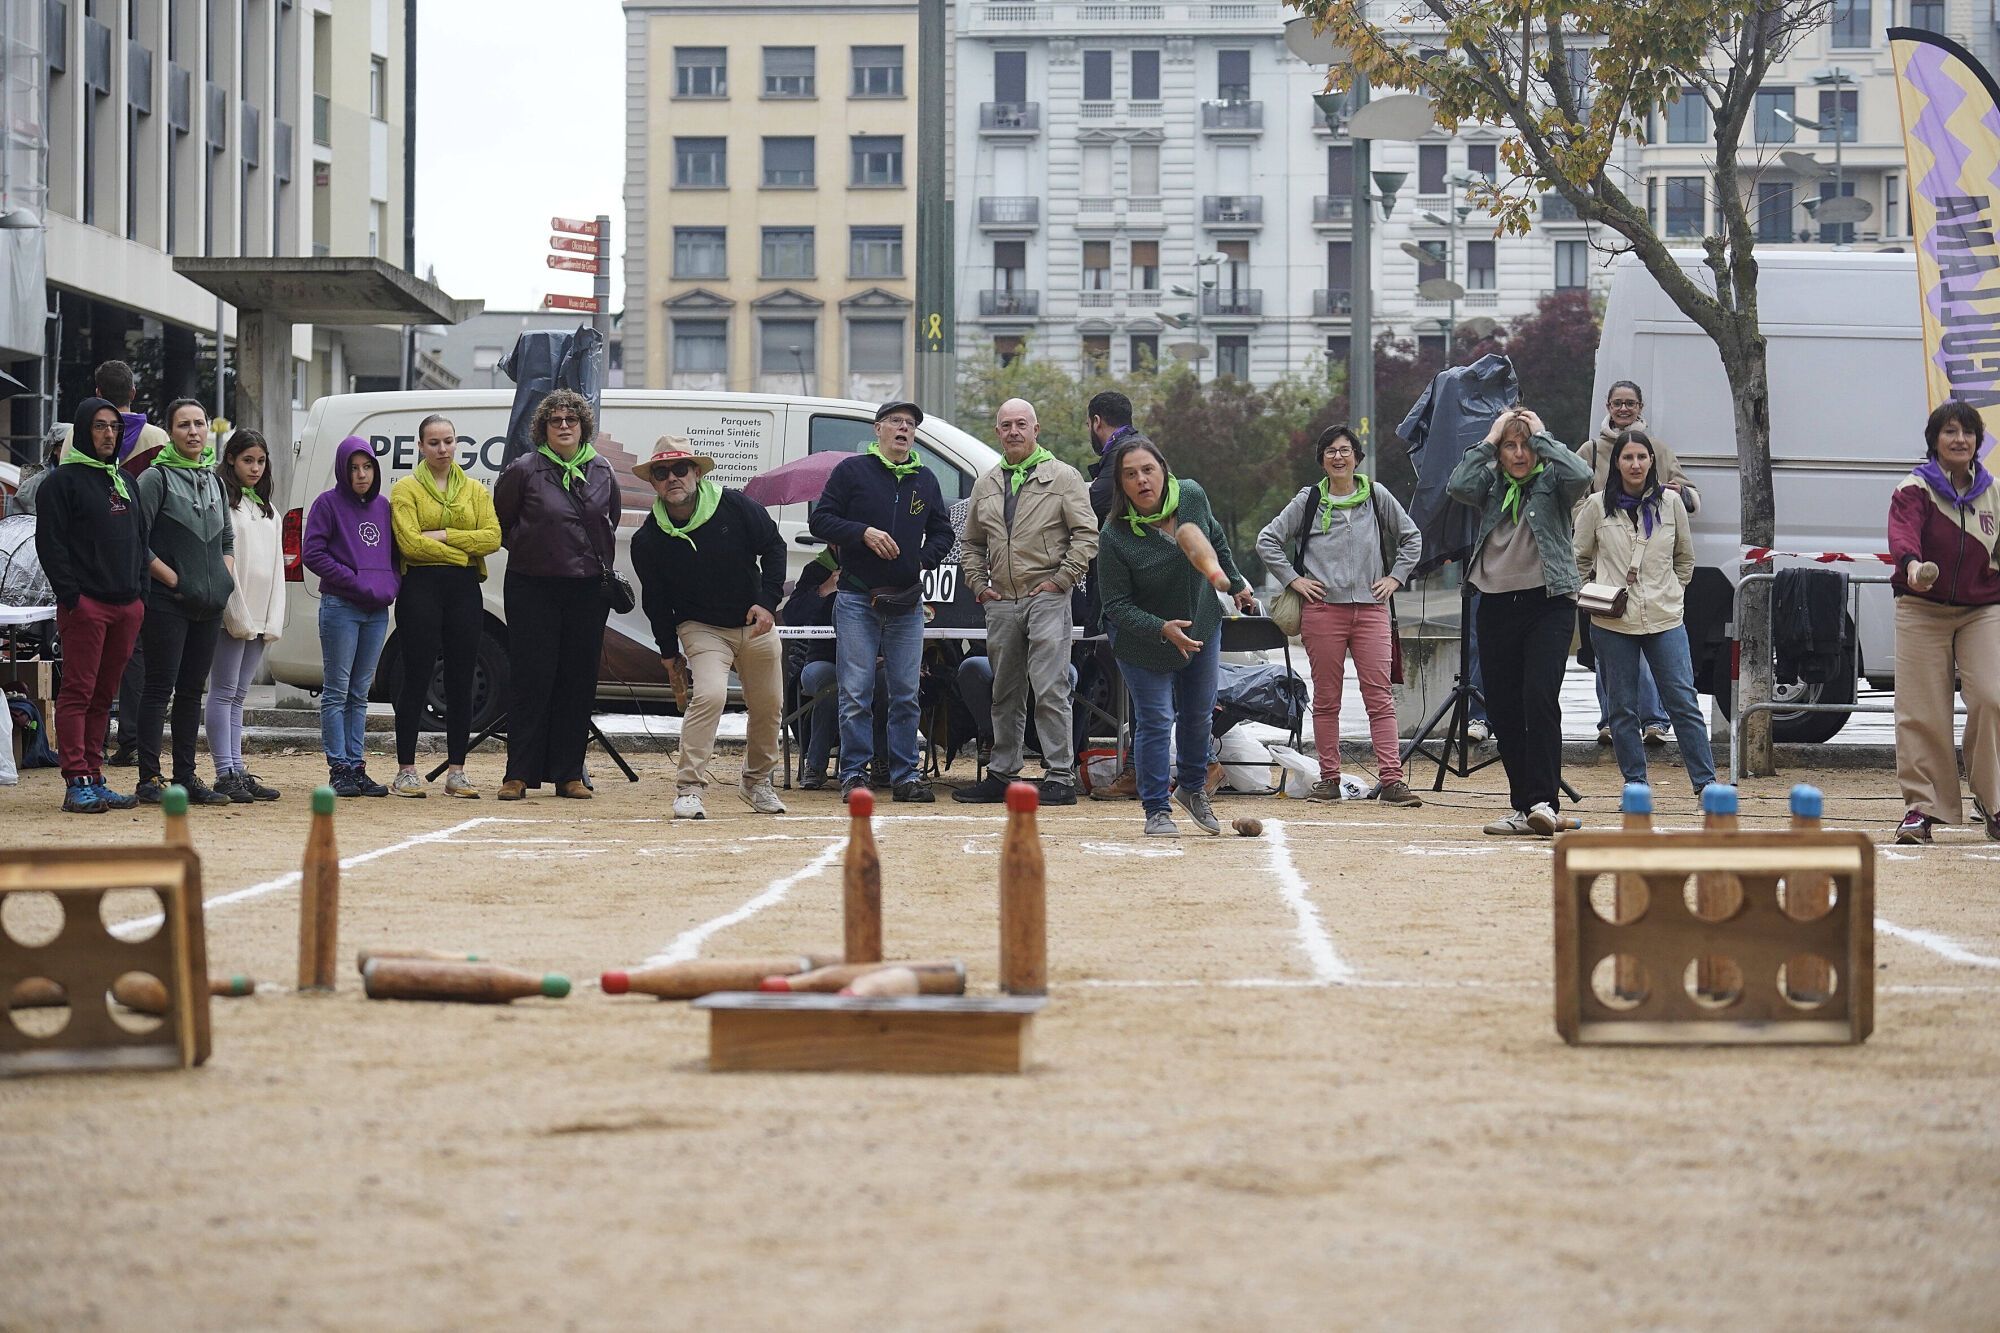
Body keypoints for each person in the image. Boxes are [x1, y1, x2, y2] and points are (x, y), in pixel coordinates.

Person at [1096, 437, 1257, 836]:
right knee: (1154, 720)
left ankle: (1191, 789)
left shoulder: (1191, 495)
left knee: (1199, 715)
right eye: (1130, 475)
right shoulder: (1115, 535)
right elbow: (1115, 605)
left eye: (1147, 470)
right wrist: (1161, 629)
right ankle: (1156, 809)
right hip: (1144, 641)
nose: (1141, 480)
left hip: (1201, 625)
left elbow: (1214, 536)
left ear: (1163, 470)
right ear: (1121, 484)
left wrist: (1235, 582)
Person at [1257, 424, 1423, 807]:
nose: (1338, 456)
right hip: (1322, 611)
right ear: (1321, 460)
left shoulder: (1377, 496)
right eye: (1330, 450)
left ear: (1357, 457)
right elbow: (1268, 539)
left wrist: (1396, 577)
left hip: (1371, 610)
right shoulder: (1309, 500)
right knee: (1327, 698)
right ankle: (1328, 778)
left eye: (1345, 449)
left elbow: (1411, 537)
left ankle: (1393, 780)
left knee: (1379, 697)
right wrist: (1295, 580)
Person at [1447, 406, 1591, 837]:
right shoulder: (1488, 484)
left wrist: (1542, 434)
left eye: (1524, 445)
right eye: (1511, 446)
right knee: (1505, 709)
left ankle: (1545, 800)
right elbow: (1458, 485)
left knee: (1539, 697)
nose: (1519, 453)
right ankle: (1525, 805)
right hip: (1494, 604)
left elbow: (1581, 474)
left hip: (1549, 603)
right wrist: (1490, 439)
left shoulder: (1554, 482)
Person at [631, 438, 788, 820]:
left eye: (680, 469)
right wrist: (669, 653)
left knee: (769, 706)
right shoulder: (648, 539)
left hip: (753, 623)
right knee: (711, 696)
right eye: (662, 472)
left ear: (697, 473)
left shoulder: (734, 505)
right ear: (653, 482)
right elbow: (655, 601)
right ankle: (689, 788)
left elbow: (774, 546)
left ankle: (756, 782)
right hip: (700, 626)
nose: (673, 478)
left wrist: (767, 602)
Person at [807, 399, 955, 803]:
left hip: (907, 602)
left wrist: (919, 560)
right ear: (878, 429)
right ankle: (854, 774)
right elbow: (819, 520)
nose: (904, 428)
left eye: (910, 424)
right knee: (855, 691)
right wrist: (862, 533)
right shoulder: (852, 471)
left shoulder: (925, 479)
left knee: (906, 692)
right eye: (895, 421)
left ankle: (905, 776)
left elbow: (943, 532)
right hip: (856, 598)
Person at [953, 397, 1097, 805]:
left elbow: (1087, 536)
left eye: (1021, 424)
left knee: (1050, 687)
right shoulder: (987, 482)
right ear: (997, 432)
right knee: (1004, 690)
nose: (1013, 432)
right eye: (1006, 425)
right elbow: (971, 542)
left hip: (1047, 597)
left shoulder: (1064, 477)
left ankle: (1059, 777)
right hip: (1000, 600)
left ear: (1036, 430)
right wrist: (979, 585)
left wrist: (1061, 580)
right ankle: (1002, 773)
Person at [492, 388, 620, 801]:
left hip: (587, 589)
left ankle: (568, 773)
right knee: (532, 677)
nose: (564, 426)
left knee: (577, 680)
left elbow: (609, 519)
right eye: (555, 420)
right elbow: (504, 520)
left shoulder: (602, 470)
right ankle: (519, 773)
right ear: (543, 428)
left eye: (571, 420)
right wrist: (538, 551)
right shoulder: (524, 469)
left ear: (583, 427)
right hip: (533, 585)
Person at [1573, 428, 1716, 797]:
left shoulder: (1670, 503)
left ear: (1652, 461)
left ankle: (1706, 785)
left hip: (1665, 617)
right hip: (1612, 620)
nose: (1635, 464)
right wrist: (1587, 592)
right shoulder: (1595, 506)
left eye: (1642, 457)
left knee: (1683, 702)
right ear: (1616, 463)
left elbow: (1685, 558)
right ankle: (1635, 784)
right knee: (1621, 709)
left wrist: (1672, 590)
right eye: (1627, 457)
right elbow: (1578, 557)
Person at [1887, 399, 2000, 844]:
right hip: (1921, 606)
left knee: (1992, 698)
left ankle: (1994, 802)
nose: (1960, 439)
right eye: (1950, 431)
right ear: (1934, 441)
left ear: (1978, 442)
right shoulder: (1913, 489)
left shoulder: (1991, 490)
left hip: (1982, 608)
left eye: (1967, 432)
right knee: (1921, 710)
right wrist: (1913, 566)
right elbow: (1903, 534)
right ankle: (1921, 809)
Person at [32, 398, 148, 813]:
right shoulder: (60, 483)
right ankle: (75, 779)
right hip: (86, 606)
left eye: (115, 428)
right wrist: (72, 598)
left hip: (126, 606)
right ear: (83, 431)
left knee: (104, 696)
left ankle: (95, 775)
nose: (108, 435)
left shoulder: (125, 480)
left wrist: (139, 596)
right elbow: (50, 545)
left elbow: (141, 541)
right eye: (100, 427)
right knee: (78, 692)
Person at [1578, 380, 1698, 748]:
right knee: (1606, 658)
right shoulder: (1590, 449)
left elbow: (1688, 496)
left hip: (1653, 581)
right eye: (1618, 403)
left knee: (1658, 661)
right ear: (1608, 406)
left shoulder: (1657, 448)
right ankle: (1609, 721)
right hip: (1605, 573)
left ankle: (1655, 721)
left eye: (1630, 403)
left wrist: (1674, 587)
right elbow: (1572, 499)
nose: (1624, 409)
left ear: (1640, 406)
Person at [388, 413, 501, 799]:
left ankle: (457, 770)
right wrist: (460, 553)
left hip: (464, 590)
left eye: (448, 441)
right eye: (434, 442)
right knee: (416, 674)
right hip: (420, 587)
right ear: (421, 446)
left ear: (457, 443)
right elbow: (409, 544)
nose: (442, 449)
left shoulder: (474, 489)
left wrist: (445, 534)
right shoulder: (405, 489)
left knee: (461, 677)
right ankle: (406, 769)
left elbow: (492, 537)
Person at [133, 398, 235, 806]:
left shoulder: (215, 480)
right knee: (159, 688)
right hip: (167, 602)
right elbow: (136, 541)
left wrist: (223, 574)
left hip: (208, 605)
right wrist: (173, 578)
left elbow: (228, 537)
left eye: (199, 424)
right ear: (170, 432)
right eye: (184, 425)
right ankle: (149, 778)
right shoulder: (155, 478)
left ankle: (186, 778)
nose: (193, 432)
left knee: (193, 691)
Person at [302, 436, 399, 798]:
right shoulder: (327, 504)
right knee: (337, 690)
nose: (361, 474)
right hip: (342, 606)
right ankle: (338, 767)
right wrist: (354, 580)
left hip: (376, 609)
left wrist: (390, 584)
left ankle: (357, 766)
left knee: (360, 691)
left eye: (368, 467)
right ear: (343, 470)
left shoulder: (384, 507)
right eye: (354, 468)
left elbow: (393, 554)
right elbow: (313, 553)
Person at [207, 429, 287, 803]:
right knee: (222, 693)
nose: (255, 468)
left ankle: (237, 768)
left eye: (260, 461)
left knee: (240, 694)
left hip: (258, 615)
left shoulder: (269, 510)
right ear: (231, 461)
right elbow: (226, 561)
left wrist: (270, 618)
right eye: (247, 460)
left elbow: (275, 569)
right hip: (233, 613)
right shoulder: (224, 503)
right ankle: (224, 771)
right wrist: (234, 611)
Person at [97, 359, 169, 767]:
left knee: (92, 655)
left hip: (96, 559)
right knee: (137, 653)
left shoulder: (81, 436)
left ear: (98, 394)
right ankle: (132, 740)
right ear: (134, 394)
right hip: (145, 556)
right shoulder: (158, 437)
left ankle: (93, 741)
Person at [782, 553, 892, 789]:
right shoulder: (816, 570)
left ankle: (881, 758)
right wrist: (824, 590)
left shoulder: (877, 571)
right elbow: (791, 615)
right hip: (822, 659)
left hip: (871, 659)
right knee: (832, 687)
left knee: (886, 684)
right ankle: (815, 763)